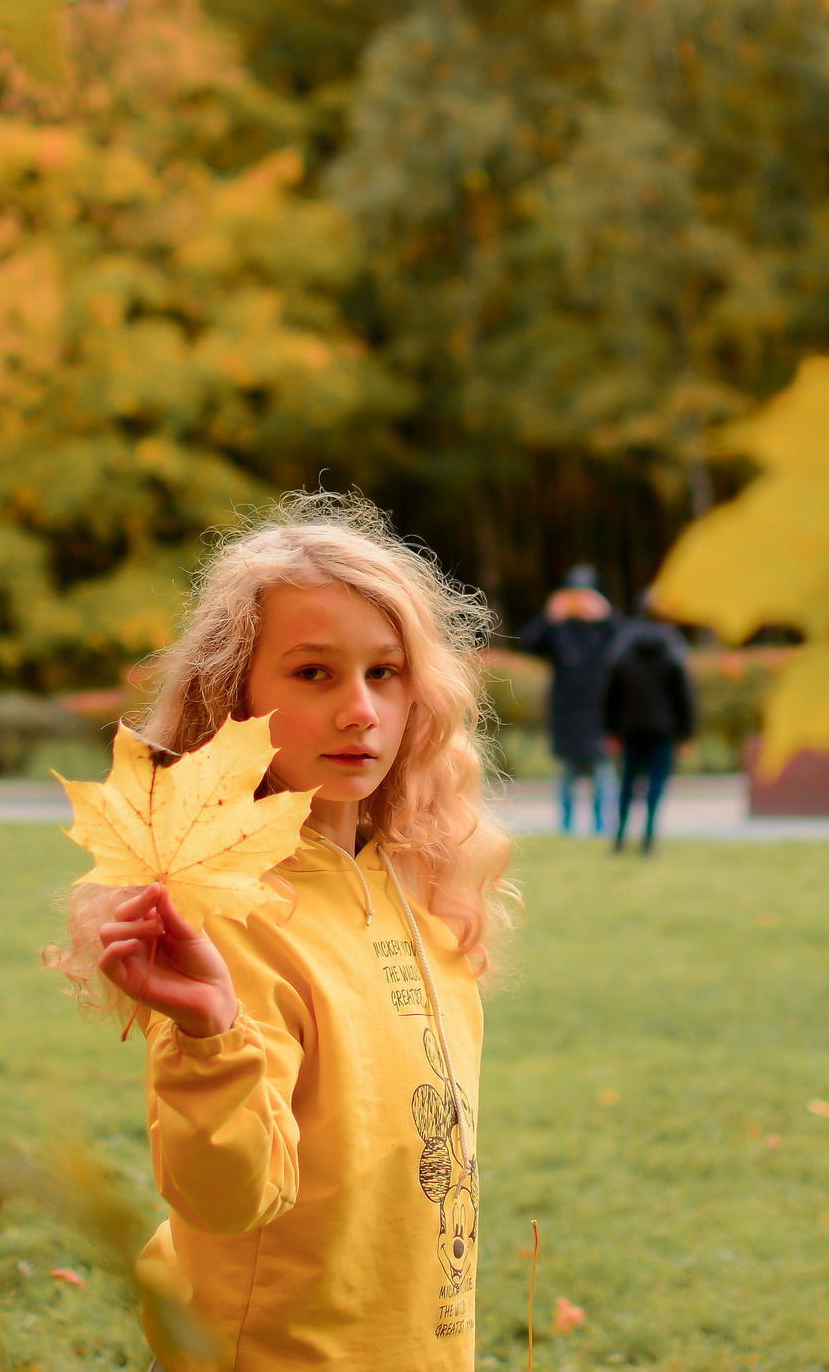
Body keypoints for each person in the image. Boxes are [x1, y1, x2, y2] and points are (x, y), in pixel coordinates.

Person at [60, 493, 514, 1370]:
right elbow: (228, 1197)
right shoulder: (225, 911)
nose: (360, 709)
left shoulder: (409, 879)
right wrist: (208, 1033)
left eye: (385, 672)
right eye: (313, 673)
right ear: (234, 694)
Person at [517, 566, 619, 835]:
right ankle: (566, 828)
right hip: (566, 715)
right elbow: (526, 644)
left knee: (602, 773)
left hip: (599, 714)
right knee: (566, 775)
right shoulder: (560, 629)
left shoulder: (605, 630)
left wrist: (607, 616)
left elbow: (626, 642)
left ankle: (602, 828)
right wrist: (549, 617)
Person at [602, 596, 696, 855]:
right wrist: (686, 734)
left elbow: (611, 691)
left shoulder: (623, 644)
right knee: (656, 784)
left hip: (630, 728)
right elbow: (683, 695)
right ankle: (649, 838)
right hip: (662, 728)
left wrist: (611, 730)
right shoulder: (673, 645)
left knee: (627, 783)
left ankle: (619, 838)